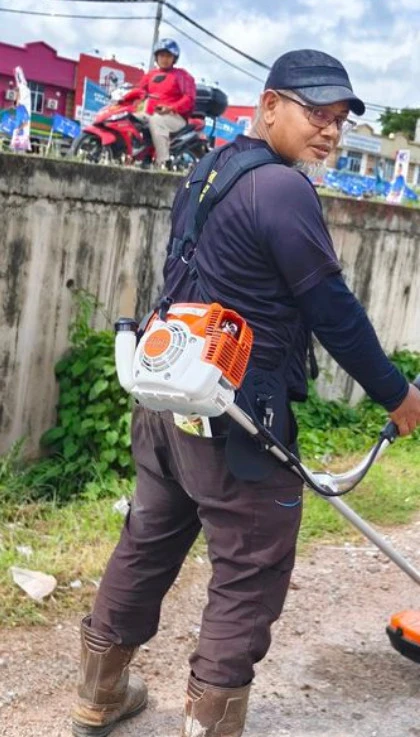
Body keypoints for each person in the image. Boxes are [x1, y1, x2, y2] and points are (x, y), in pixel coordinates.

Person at [71, 49, 420, 737]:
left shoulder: (209, 169)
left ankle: (98, 693)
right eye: (315, 112)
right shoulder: (283, 190)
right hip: (236, 416)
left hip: (168, 398)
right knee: (249, 569)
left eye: (340, 119)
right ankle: (209, 726)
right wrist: (397, 393)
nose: (329, 130)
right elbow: (333, 310)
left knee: (146, 543)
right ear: (268, 106)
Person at [124, 38, 196, 167]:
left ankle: (163, 161)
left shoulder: (182, 75)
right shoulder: (151, 75)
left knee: (156, 120)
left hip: (175, 117)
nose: (164, 59)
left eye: (168, 56)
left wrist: (171, 108)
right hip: (151, 115)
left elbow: (189, 99)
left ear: (174, 58)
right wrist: (123, 98)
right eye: (162, 55)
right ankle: (134, 156)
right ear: (156, 57)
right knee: (128, 118)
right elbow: (139, 90)